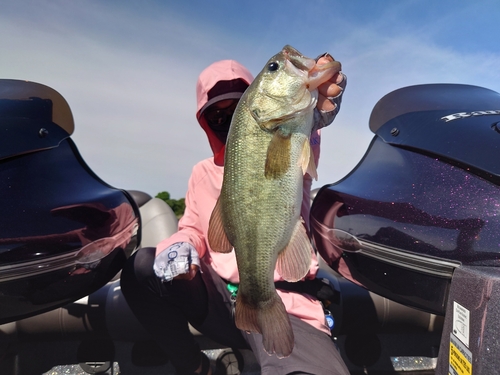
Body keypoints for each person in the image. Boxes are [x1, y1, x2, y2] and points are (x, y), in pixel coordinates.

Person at [120, 53, 348, 375]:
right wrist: (181, 245)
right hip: (219, 300)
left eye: (235, 108)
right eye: (216, 115)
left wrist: (316, 116)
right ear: (205, 121)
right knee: (141, 267)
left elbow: (304, 139)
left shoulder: (290, 136)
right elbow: (195, 229)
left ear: (248, 107)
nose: (226, 120)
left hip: (286, 302)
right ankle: (198, 367)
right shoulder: (201, 173)